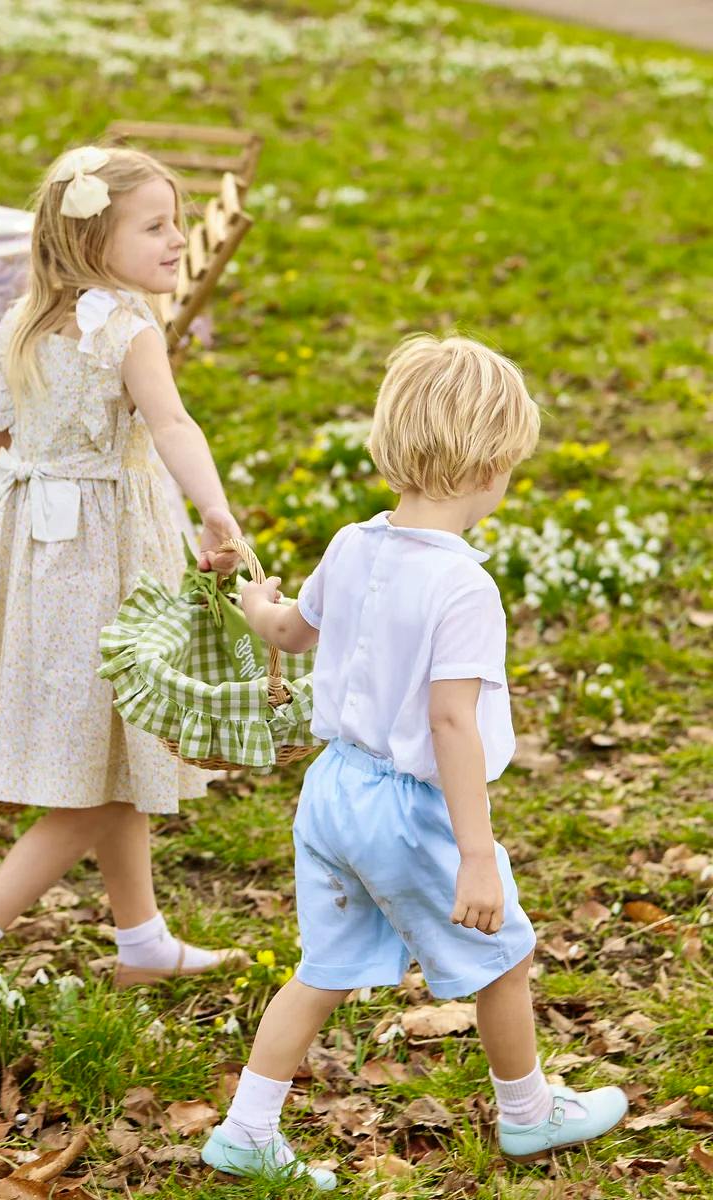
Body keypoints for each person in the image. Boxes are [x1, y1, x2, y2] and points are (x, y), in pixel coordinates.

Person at [201, 334, 628, 1186]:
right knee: (505, 956)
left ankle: (246, 1128)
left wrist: (251, 599)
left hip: (332, 791)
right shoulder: (464, 585)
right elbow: (450, 723)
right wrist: (477, 855)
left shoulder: (351, 544)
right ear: (488, 468)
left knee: (323, 969)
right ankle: (528, 1113)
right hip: (407, 809)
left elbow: (289, 630)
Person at [0, 145, 248, 1000]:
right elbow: (173, 426)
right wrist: (214, 509)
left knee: (116, 751)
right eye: (156, 226)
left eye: (177, 223)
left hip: (39, 567)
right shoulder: (130, 331)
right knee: (101, 778)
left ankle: (142, 940)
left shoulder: (24, 322)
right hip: (108, 568)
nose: (178, 240)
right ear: (94, 241)